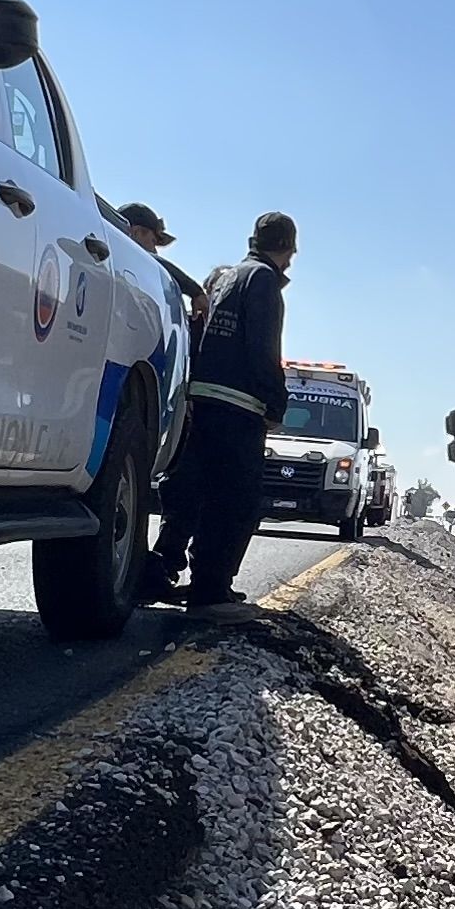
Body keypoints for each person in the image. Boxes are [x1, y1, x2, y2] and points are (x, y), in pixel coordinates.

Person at [150, 211, 293, 610]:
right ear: (288, 250)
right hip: (238, 408)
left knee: (189, 493)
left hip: (199, 403)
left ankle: (159, 571)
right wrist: (276, 402)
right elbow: (264, 349)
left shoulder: (222, 278)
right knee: (235, 502)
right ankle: (210, 590)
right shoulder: (263, 280)